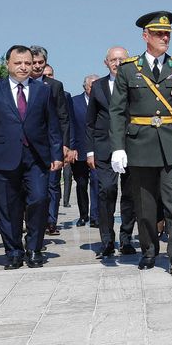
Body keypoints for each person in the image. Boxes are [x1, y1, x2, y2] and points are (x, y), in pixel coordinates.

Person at [108, 12, 172, 275]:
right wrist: (118, 146)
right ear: (145, 36)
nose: (164, 37)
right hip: (140, 144)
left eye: (167, 34)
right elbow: (117, 111)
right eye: (159, 33)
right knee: (145, 205)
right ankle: (149, 250)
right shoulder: (129, 69)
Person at [0, 45, 63, 269]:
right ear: (8, 64)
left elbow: (53, 125)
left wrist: (56, 154)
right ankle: (13, 251)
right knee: (8, 207)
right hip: (3, 157)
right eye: (18, 63)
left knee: (39, 200)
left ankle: (34, 248)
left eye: (27, 63)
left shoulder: (43, 90)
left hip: (36, 158)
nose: (24, 67)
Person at [87, 46, 138, 258]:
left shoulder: (136, 83)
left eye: (122, 59)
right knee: (106, 191)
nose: (117, 63)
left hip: (131, 147)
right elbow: (90, 122)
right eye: (113, 60)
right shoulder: (97, 87)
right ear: (106, 62)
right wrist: (90, 151)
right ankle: (107, 241)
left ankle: (126, 239)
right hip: (104, 148)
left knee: (130, 195)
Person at [29, 46, 75, 236]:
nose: (38, 66)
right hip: (29, 144)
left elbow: (63, 117)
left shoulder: (55, 86)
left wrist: (65, 144)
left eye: (41, 63)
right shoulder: (20, 84)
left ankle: (51, 221)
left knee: (53, 184)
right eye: (35, 63)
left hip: (52, 144)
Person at [70, 75, 98, 226]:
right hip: (79, 150)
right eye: (91, 85)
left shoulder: (103, 101)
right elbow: (71, 126)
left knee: (96, 182)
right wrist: (71, 147)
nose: (94, 88)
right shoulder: (74, 102)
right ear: (85, 87)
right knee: (81, 184)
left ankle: (95, 216)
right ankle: (83, 215)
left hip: (97, 150)